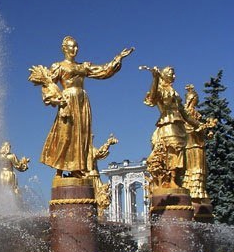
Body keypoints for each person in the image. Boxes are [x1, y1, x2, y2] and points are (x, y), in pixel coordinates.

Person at [30, 36, 133, 177]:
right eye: (72, 46)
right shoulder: (59, 66)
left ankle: (76, 168)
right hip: (67, 101)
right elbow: (48, 84)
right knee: (65, 134)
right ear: (65, 48)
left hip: (82, 102)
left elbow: (102, 71)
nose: (75, 49)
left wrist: (118, 58)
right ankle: (59, 170)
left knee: (81, 135)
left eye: (77, 46)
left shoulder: (83, 66)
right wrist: (58, 99)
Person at [143, 66, 199, 189]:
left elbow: (185, 114)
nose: (174, 76)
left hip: (179, 126)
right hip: (167, 124)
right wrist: (155, 79)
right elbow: (152, 97)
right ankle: (168, 180)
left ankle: (175, 179)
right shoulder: (160, 89)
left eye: (174, 74)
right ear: (163, 75)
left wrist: (199, 125)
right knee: (171, 150)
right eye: (171, 73)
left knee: (179, 152)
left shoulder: (175, 93)